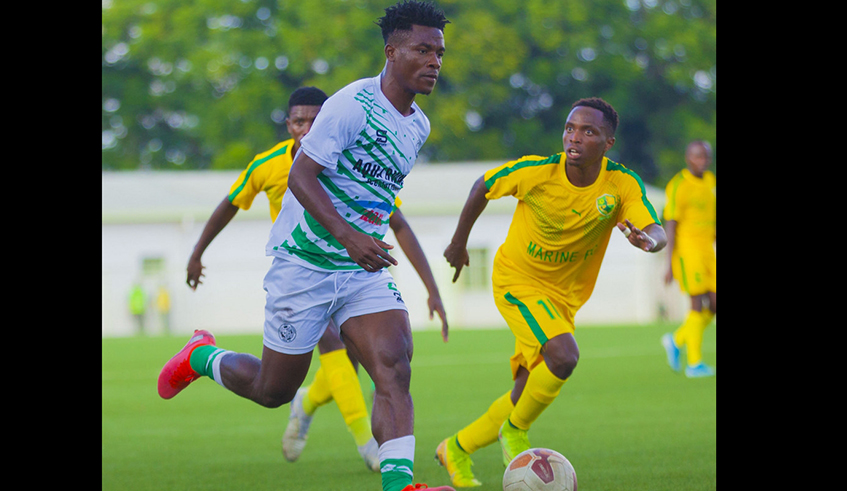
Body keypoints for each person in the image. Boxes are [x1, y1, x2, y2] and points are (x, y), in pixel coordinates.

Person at [159, 2, 454, 491]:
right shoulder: (351, 105)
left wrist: (381, 253)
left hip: (361, 270)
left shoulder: (418, 125)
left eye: (439, 53)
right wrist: (349, 236)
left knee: (394, 365)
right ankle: (201, 357)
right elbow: (300, 176)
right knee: (273, 390)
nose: (435, 62)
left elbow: (382, 203)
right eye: (423, 50)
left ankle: (400, 485)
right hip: (304, 264)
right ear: (391, 52)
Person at [435, 98, 667, 488]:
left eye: (588, 131)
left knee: (524, 391)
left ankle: (456, 447)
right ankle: (515, 431)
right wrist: (459, 244)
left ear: (608, 142)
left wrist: (651, 242)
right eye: (570, 128)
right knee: (564, 355)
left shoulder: (621, 184)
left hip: (562, 298)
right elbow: (483, 186)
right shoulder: (537, 171)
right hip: (517, 282)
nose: (574, 137)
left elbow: (654, 228)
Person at [661, 140, 716, 378]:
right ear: (688, 158)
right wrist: (668, 263)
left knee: (714, 304)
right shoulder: (678, 185)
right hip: (687, 251)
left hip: (708, 251)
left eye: (706, 157)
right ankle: (694, 363)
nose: (702, 161)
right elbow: (671, 224)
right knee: (696, 303)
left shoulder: (711, 181)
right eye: (698, 156)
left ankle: (676, 339)